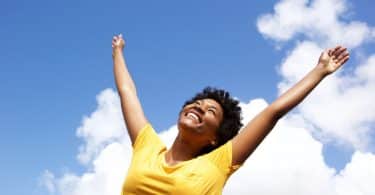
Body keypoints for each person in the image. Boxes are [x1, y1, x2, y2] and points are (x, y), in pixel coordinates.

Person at [112, 34, 349, 195]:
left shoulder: (218, 163)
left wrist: (319, 72)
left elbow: (272, 112)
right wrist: (118, 52)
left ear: (215, 138)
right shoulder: (147, 147)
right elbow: (127, 92)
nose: (199, 107)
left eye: (211, 111)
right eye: (197, 103)